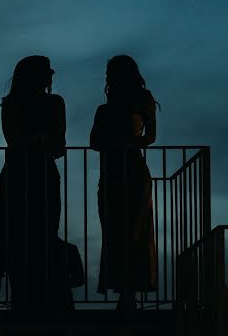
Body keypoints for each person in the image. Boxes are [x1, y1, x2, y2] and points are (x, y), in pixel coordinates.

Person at [0, 56, 66, 310]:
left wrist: (36, 139)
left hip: (40, 172)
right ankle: (22, 299)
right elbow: (12, 139)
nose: (50, 77)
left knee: (44, 234)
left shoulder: (55, 102)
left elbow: (59, 145)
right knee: (16, 236)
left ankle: (40, 298)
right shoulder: (12, 103)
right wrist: (40, 138)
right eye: (47, 72)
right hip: (20, 174)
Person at [90, 55, 158, 310]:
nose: (108, 77)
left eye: (111, 72)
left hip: (133, 171)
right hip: (110, 174)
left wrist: (125, 143)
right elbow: (94, 141)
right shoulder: (104, 109)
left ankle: (129, 293)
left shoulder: (143, 100)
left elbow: (151, 136)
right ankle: (123, 289)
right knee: (113, 231)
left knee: (134, 232)